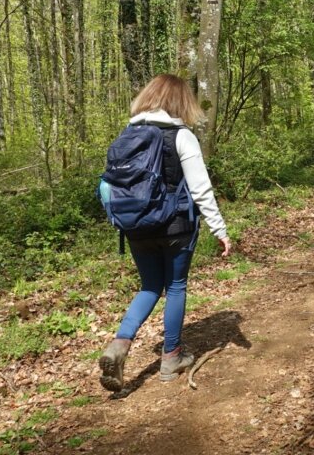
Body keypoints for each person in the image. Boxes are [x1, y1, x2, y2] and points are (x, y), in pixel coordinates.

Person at [98, 74, 231, 392]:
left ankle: (119, 344)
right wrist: (220, 229)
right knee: (175, 287)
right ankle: (171, 356)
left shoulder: (128, 134)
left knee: (149, 286)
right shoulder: (181, 136)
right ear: (181, 102)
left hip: (136, 226)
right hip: (175, 227)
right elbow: (201, 189)